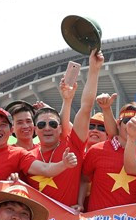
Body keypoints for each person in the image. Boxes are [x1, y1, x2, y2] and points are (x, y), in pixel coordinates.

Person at [23, 76, 91, 209]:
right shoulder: (27, 156)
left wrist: (68, 99)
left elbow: (86, 108)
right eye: (42, 125)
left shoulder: (73, 146)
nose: (47, 128)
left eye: (53, 124)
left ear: (60, 129)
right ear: (35, 130)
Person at [0, 109, 77, 186]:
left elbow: (45, 169)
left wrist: (64, 164)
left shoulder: (19, 154)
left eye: (3, 124)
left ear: (11, 130)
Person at [81, 104, 136, 212]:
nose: (131, 126)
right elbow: (84, 180)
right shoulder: (96, 150)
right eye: (127, 121)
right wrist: (80, 204)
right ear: (118, 124)